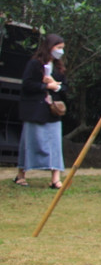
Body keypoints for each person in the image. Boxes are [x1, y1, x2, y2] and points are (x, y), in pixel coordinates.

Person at [15, 33, 67, 189]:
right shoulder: (34, 64)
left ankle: (55, 178)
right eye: (58, 48)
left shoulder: (59, 67)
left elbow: (65, 88)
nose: (60, 51)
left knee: (55, 144)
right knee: (29, 142)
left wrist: (55, 86)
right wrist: (45, 85)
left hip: (52, 111)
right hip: (34, 110)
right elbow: (27, 84)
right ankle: (21, 175)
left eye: (62, 48)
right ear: (50, 47)